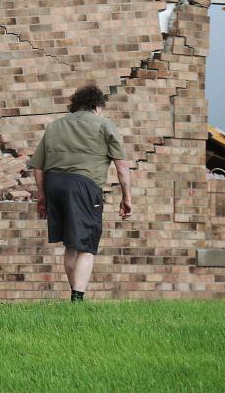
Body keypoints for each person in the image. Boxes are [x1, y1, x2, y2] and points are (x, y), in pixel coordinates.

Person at [28, 84, 133, 302]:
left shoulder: (55, 126)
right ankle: (77, 299)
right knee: (87, 245)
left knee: (70, 244)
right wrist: (127, 198)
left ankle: (75, 296)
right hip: (83, 186)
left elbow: (37, 166)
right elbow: (122, 166)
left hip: (54, 184)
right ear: (97, 106)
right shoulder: (103, 124)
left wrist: (42, 196)